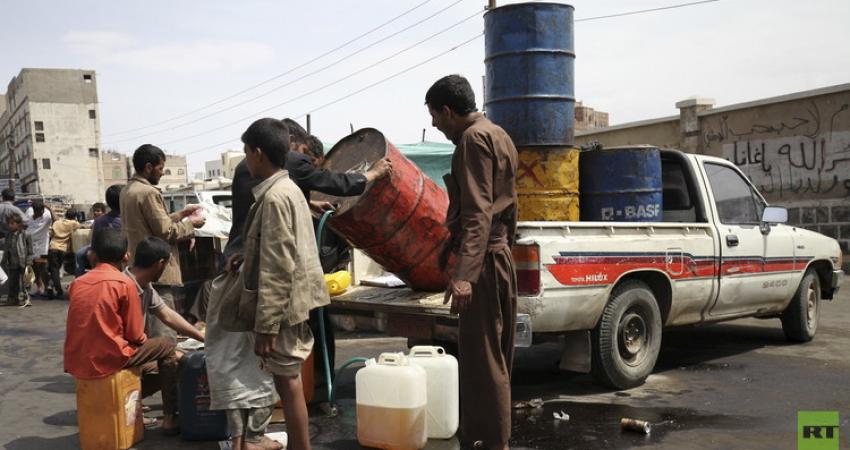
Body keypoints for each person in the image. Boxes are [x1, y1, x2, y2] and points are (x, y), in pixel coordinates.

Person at [426, 74, 518, 450]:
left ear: (448, 111)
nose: (434, 124)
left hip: (483, 264)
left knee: (484, 364)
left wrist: (465, 275)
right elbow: (509, 206)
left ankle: (490, 443)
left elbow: (478, 213)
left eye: (435, 116)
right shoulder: (499, 134)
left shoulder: (471, 139)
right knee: (497, 358)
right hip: (498, 258)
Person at [229, 118, 330, 450]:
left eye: (246, 153)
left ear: (258, 153)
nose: (245, 161)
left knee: (288, 382)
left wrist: (267, 326)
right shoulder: (288, 191)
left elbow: (278, 267)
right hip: (293, 301)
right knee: (289, 380)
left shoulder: (274, 197)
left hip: (282, 307)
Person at [283, 119, 392, 386]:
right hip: (292, 268)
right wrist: (374, 174)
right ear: (295, 143)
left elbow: (286, 197)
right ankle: (317, 389)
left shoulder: (263, 168)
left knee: (294, 335)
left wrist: (310, 203)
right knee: (313, 327)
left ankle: (310, 388)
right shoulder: (292, 161)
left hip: (279, 268)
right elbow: (336, 182)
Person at [64, 228, 181, 435]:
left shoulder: (77, 283)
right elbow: (136, 336)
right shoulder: (125, 284)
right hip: (109, 357)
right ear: (126, 256)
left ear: (93, 255)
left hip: (78, 360)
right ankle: (170, 419)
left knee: (156, 363)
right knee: (168, 346)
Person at [121, 144, 205, 343]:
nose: (161, 174)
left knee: (147, 329)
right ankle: (165, 369)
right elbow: (166, 231)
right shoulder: (149, 192)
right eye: (160, 169)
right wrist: (191, 224)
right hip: (156, 269)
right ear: (148, 167)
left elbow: (155, 223)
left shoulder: (128, 190)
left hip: (137, 266)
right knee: (164, 335)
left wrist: (181, 214)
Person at [76, 185, 124, 277]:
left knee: (80, 254)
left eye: (98, 211)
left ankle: (80, 277)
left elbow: (94, 245)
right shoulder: (130, 219)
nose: (96, 213)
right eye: (95, 211)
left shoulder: (99, 221)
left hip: (104, 258)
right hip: (120, 257)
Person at [47, 210, 81, 299]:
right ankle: (58, 290)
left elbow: (51, 233)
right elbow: (81, 227)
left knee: (54, 270)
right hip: (62, 249)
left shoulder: (57, 223)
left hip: (52, 247)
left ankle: (50, 287)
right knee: (56, 270)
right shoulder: (73, 223)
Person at [2, 214, 33, 307]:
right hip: (12, 262)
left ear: (19, 224)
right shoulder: (8, 235)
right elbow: (7, 249)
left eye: (12, 223)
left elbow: (30, 250)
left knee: (26, 282)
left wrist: (29, 261)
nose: (10, 225)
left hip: (24, 261)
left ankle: (26, 299)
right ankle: (12, 299)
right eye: (9, 223)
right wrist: (5, 260)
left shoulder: (26, 234)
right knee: (13, 282)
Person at [26, 200, 53, 297]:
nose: (40, 214)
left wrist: (50, 208)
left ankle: (48, 286)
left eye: (41, 212)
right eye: (37, 212)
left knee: (43, 267)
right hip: (31, 244)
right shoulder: (29, 212)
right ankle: (39, 287)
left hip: (42, 245)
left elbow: (56, 221)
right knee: (34, 268)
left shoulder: (47, 215)